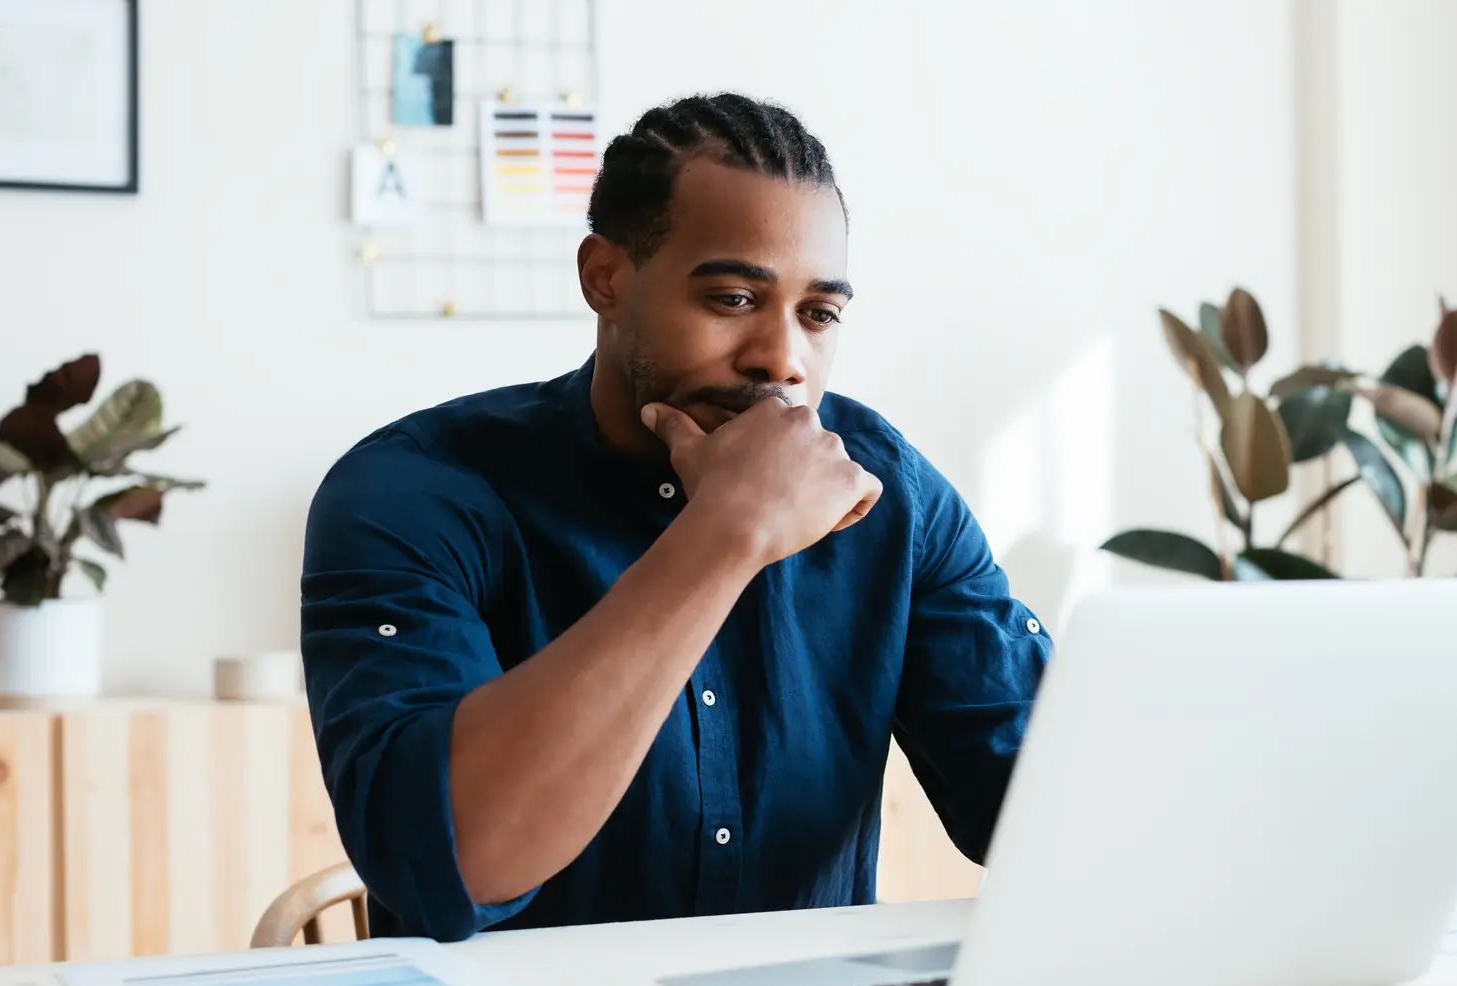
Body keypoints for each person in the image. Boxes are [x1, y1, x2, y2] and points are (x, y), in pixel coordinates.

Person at [300, 92, 1053, 940]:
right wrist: (726, 534)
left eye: (819, 315)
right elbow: (460, 862)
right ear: (606, 279)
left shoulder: (892, 496)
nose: (782, 359)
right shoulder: (414, 491)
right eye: (733, 298)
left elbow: (1043, 813)